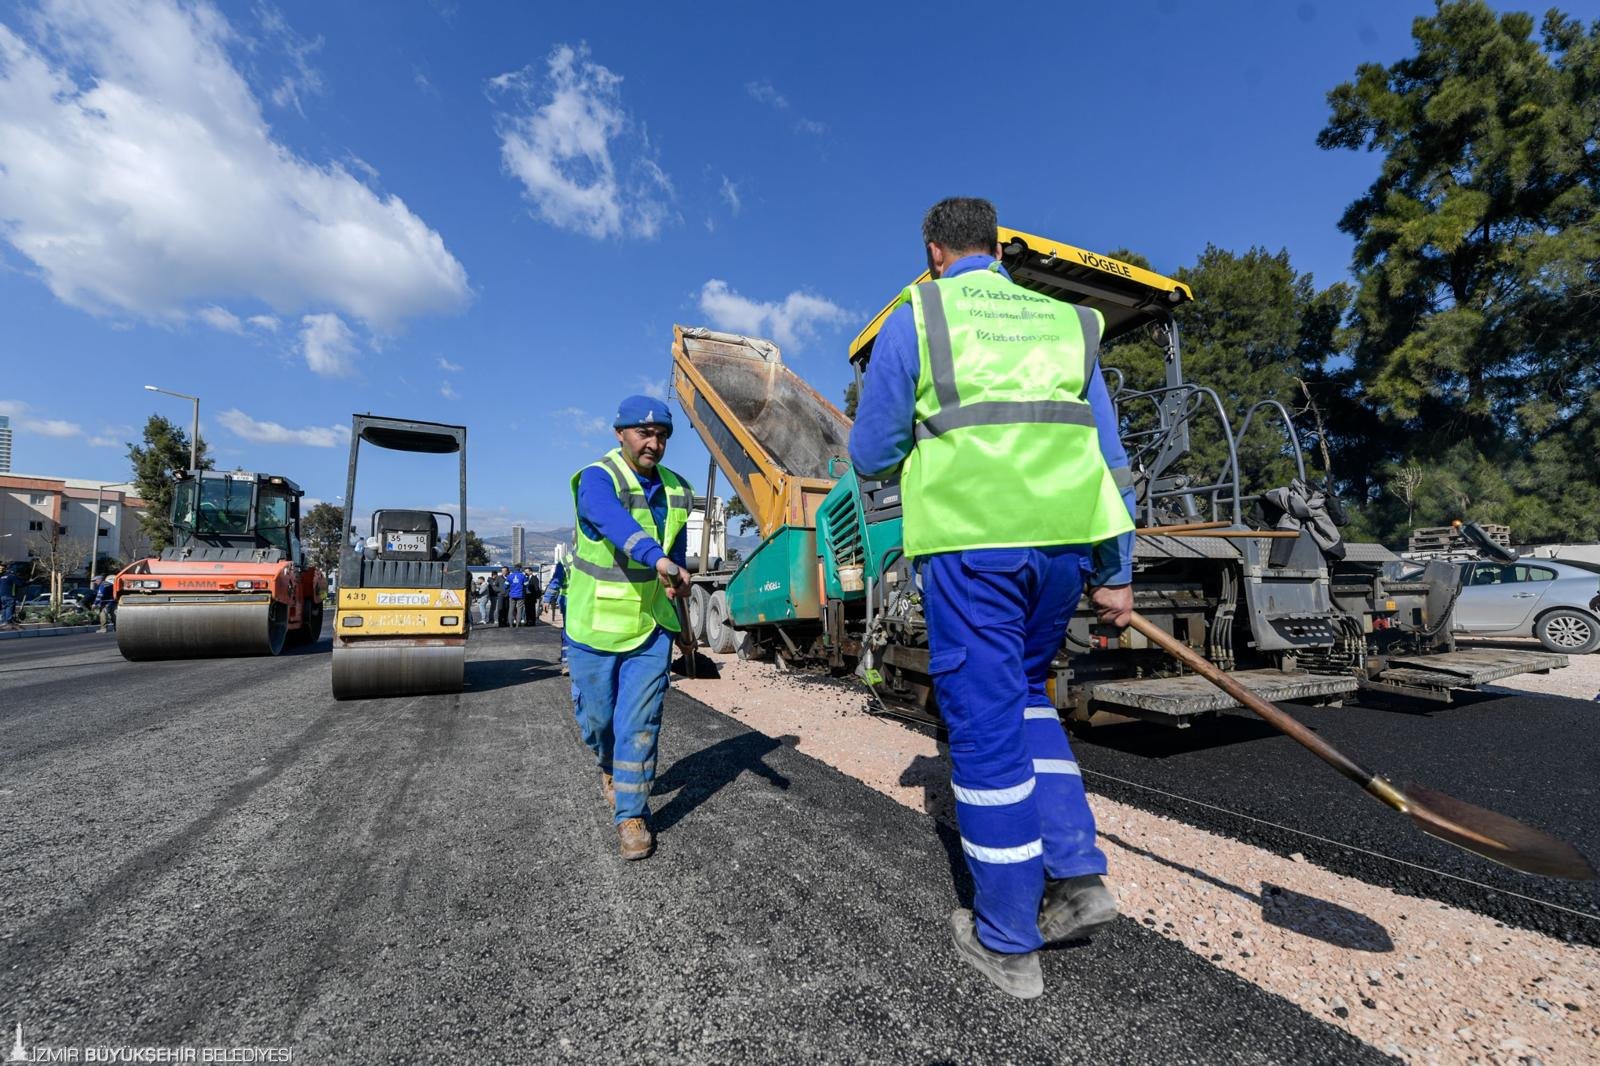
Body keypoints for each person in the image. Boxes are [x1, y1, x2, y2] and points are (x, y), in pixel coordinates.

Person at [848, 198, 1137, 1000]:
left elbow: (871, 451)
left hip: (974, 546)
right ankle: (1079, 878)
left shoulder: (921, 313)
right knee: (1026, 698)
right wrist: (1116, 569)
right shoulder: (1067, 324)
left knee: (981, 733)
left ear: (935, 251)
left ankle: (1008, 939)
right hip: (1063, 550)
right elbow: (1110, 460)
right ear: (999, 247)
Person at [566, 396, 693, 860]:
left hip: (650, 626)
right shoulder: (598, 479)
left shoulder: (678, 489)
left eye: (662, 436)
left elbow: (675, 549)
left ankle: (631, 813)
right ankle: (608, 767)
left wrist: (677, 575)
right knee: (600, 720)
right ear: (620, 433)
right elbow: (612, 521)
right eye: (645, 433)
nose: (654, 444)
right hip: (594, 625)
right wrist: (655, 557)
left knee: (638, 722)